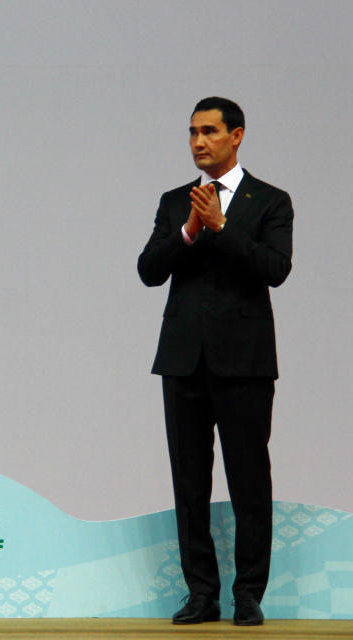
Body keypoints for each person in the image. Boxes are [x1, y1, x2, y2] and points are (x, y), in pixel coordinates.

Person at [138, 97, 293, 626]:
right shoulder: (175, 200)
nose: (198, 142)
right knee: (189, 482)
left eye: (209, 131)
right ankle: (201, 593)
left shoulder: (270, 200)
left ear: (237, 135)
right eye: (192, 133)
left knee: (249, 480)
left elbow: (275, 268)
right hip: (183, 360)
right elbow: (149, 270)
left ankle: (248, 593)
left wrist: (223, 228)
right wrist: (188, 231)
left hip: (245, 362)